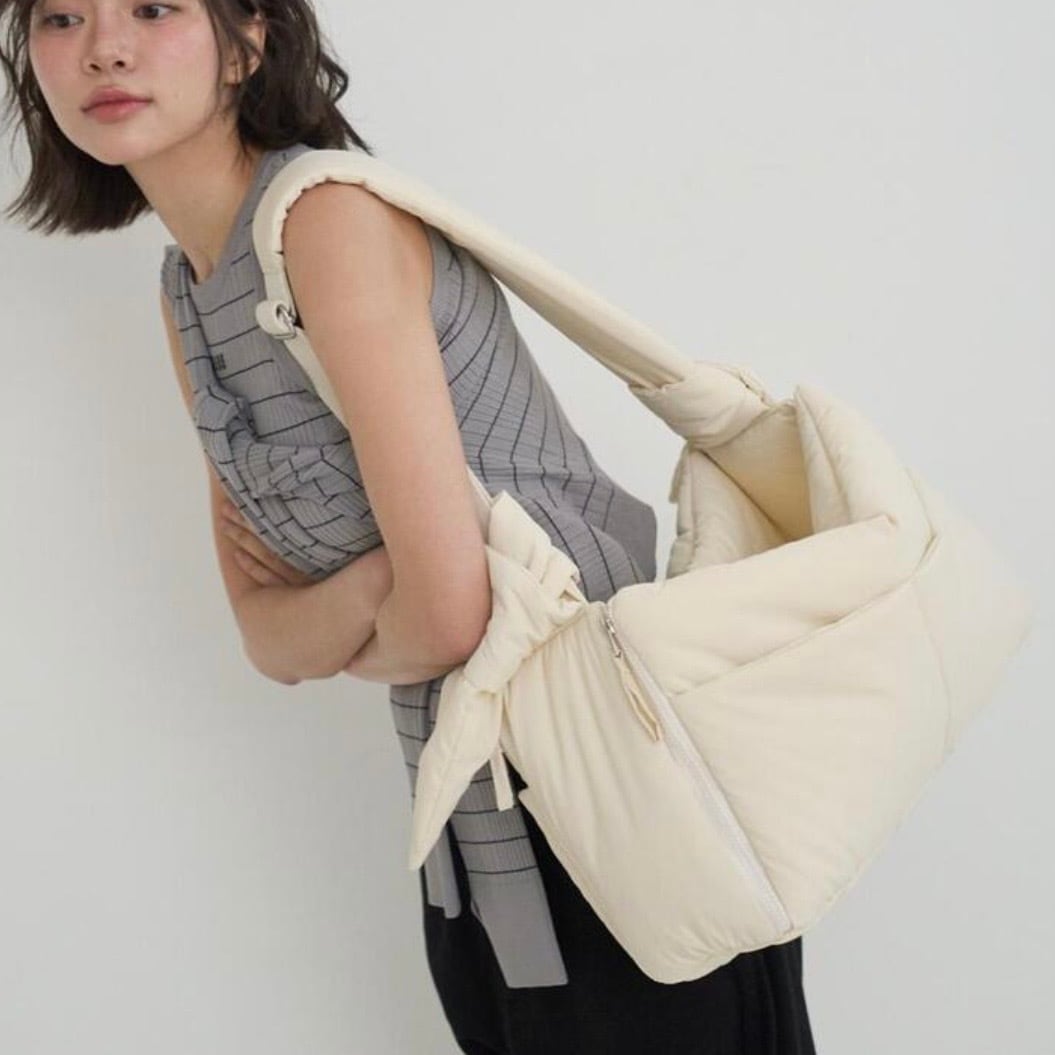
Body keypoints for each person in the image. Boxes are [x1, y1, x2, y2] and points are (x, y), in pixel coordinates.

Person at [2, 1, 817, 1051]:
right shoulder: (189, 290)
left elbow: (442, 618)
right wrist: (375, 593)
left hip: (614, 789)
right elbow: (264, 637)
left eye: (153, 8)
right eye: (62, 17)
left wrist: (357, 610)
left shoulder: (325, 223)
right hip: (467, 815)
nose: (103, 47)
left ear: (247, 41)